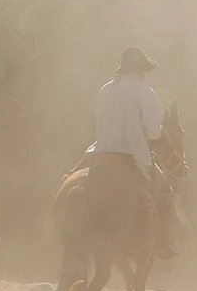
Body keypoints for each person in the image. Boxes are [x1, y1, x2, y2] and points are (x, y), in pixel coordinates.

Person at [73, 46, 176, 259]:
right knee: (165, 194)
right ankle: (162, 242)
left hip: (100, 154)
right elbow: (154, 132)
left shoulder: (104, 90)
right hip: (132, 157)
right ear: (140, 70)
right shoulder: (144, 92)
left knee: (72, 177)